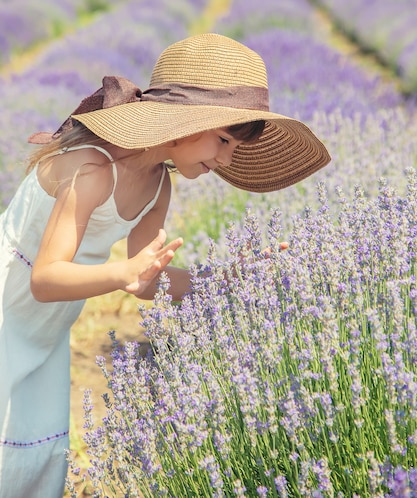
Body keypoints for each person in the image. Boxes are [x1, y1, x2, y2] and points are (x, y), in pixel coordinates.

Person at [0, 33, 330, 497]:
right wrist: (122, 272)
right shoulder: (92, 167)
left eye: (233, 148)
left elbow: (146, 280)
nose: (225, 160)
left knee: (31, 451)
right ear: (181, 124)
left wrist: (231, 278)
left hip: (49, 319)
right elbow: (46, 279)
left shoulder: (158, 185)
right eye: (222, 140)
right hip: (9, 300)